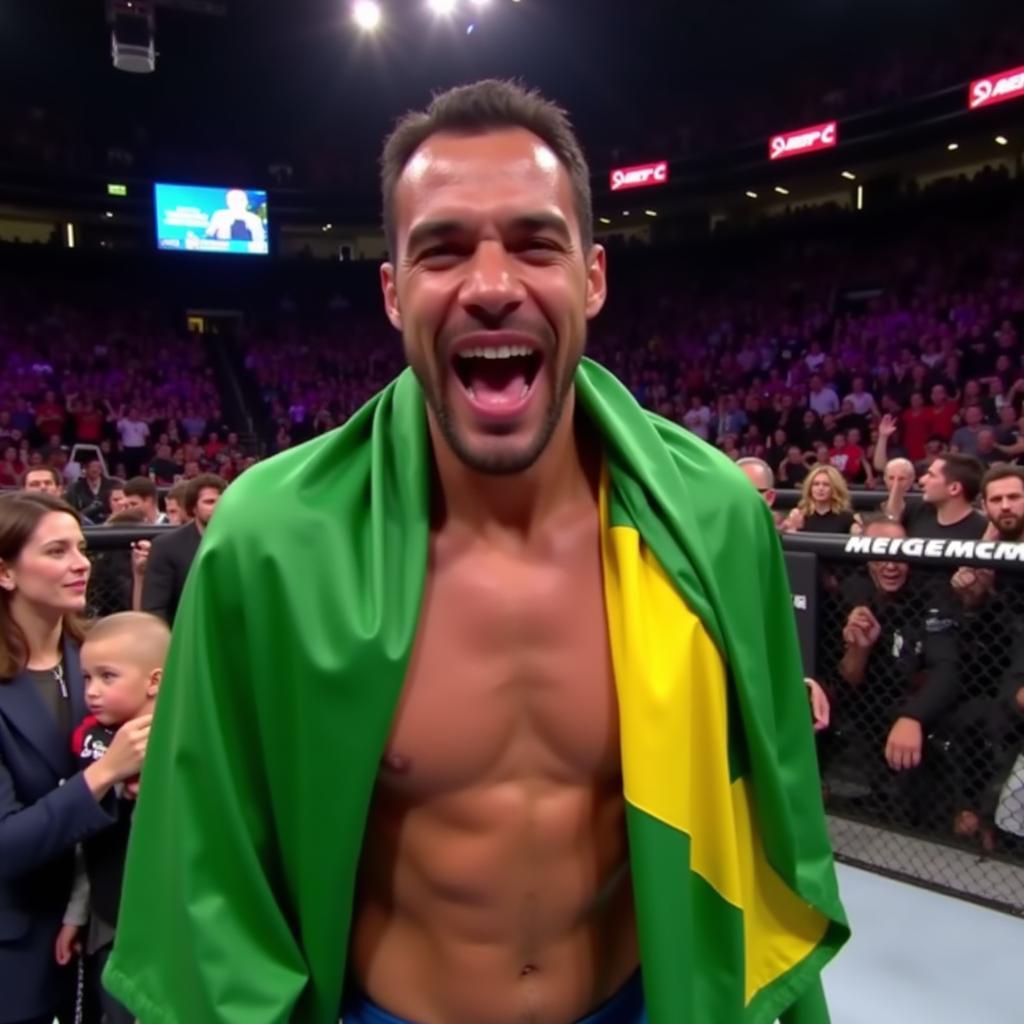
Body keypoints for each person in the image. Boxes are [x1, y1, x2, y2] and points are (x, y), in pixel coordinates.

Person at [107, 80, 847, 1024]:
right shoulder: (268, 540)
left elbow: (767, 831)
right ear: (393, 291)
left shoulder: (713, 520)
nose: (492, 286)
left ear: (593, 278)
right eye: (443, 249)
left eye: (535, 243)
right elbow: (208, 876)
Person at [0, 492, 151, 1024]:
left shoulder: (101, 661)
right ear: (6, 573)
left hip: (110, 934)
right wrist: (106, 774)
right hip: (18, 951)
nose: (82, 562)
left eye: (81, 547)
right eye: (57, 551)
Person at [56, 612, 170, 1024]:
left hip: (170, 929)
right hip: (109, 921)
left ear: (155, 681)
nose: (93, 692)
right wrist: (76, 915)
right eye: (86, 679)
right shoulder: (93, 746)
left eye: (107, 677)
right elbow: (87, 843)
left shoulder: (186, 741)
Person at [139, 473, 226, 625]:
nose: (218, 507)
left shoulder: (240, 543)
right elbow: (155, 609)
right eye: (210, 502)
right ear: (193, 507)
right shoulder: (166, 547)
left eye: (223, 501)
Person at [885, 453, 987, 541]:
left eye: (931, 475)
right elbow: (890, 521)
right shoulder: (917, 510)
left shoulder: (983, 530)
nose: (922, 480)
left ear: (954, 488)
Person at [781, 464, 855, 534]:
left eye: (826, 484)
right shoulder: (800, 515)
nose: (820, 488)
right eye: (816, 484)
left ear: (834, 488)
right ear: (810, 488)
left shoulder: (846, 517)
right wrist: (791, 527)